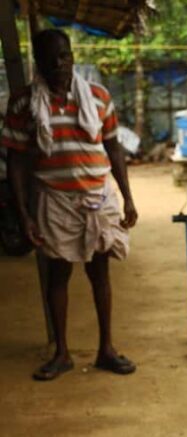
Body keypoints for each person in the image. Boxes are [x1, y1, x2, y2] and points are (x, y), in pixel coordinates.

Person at [1, 29, 138, 381]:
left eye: (65, 55)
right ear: (40, 62)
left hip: (97, 196)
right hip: (54, 199)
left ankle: (106, 348)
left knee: (100, 273)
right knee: (57, 275)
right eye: (52, 58)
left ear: (73, 56)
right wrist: (24, 213)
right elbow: (15, 161)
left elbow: (114, 148)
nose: (60, 63)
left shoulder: (98, 96)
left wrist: (128, 198)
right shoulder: (23, 103)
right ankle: (61, 353)